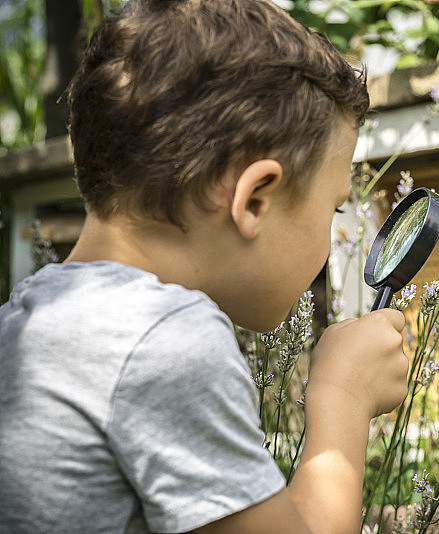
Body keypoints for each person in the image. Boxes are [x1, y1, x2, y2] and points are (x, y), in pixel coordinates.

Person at [0, 1, 409, 532]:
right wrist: (344, 397)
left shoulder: (23, 321)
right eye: (331, 209)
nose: (330, 241)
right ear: (254, 199)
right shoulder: (166, 343)